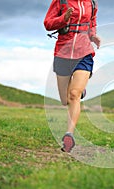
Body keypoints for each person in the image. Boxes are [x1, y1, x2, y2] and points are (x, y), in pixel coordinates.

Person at [44, 0, 101, 153]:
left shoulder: (92, 3)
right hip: (63, 53)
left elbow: (92, 23)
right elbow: (48, 24)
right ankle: (80, 89)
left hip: (84, 53)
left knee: (73, 95)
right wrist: (63, 19)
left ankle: (69, 134)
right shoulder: (61, 1)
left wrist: (93, 36)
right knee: (65, 100)